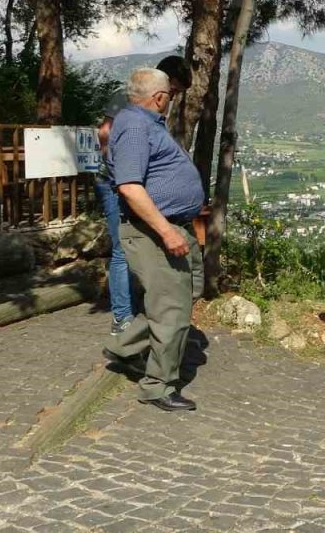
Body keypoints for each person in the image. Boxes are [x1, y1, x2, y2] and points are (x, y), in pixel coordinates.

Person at [102, 68, 205, 411]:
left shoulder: (143, 123)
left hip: (171, 227)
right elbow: (130, 186)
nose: (171, 101)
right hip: (156, 232)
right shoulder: (134, 126)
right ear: (160, 97)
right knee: (171, 311)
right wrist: (166, 231)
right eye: (170, 96)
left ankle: (123, 348)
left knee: (175, 300)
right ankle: (158, 386)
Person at [97, 56, 193, 336]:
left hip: (138, 185)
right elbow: (105, 133)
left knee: (139, 247)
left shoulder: (157, 105)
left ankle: (141, 307)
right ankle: (122, 319)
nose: (172, 99)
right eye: (172, 91)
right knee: (122, 250)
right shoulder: (129, 95)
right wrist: (122, 175)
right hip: (117, 183)